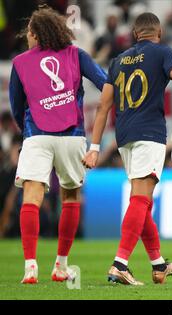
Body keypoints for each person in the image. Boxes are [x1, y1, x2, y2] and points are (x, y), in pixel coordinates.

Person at [82, 12, 172, 286]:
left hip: (124, 136)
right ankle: (120, 264)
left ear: (134, 33)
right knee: (141, 201)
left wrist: (94, 146)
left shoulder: (118, 61)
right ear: (159, 33)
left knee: (142, 202)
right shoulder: (163, 52)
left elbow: (103, 106)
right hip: (150, 134)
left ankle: (158, 266)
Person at [9, 5, 107, 284]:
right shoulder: (77, 55)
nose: (27, 37)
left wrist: (28, 131)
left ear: (36, 35)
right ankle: (61, 265)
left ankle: (30, 267)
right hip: (72, 135)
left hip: (37, 135)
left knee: (31, 197)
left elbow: (17, 107)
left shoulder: (20, 62)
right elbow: (105, 84)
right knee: (71, 197)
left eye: (29, 32)